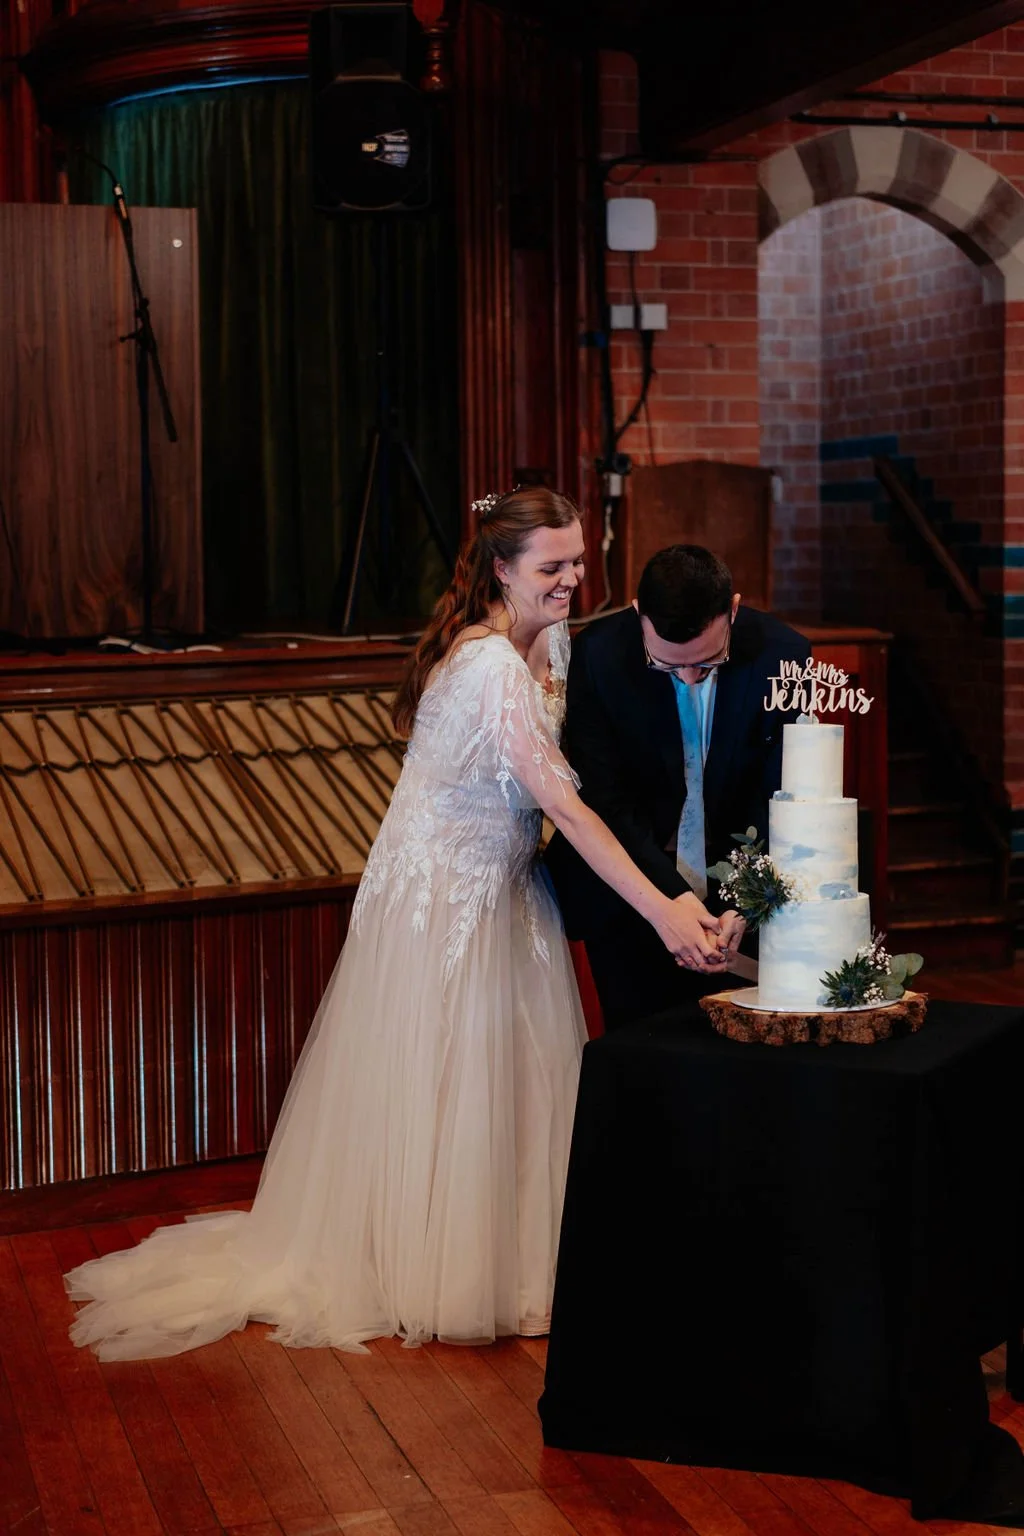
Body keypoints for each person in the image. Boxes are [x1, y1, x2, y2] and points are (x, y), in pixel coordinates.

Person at [64, 489, 711, 1361]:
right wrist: (662, 909)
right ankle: (429, 1270)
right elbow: (567, 805)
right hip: (445, 893)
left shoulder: (552, 640)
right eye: (552, 566)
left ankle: (516, 1259)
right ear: (501, 569)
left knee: (513, 1076)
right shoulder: (487, 667)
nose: (570, 580)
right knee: (448, 1078)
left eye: (577, 561)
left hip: (508, 885)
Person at [545, 544, 811, 1030]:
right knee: (640, 1043)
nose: (688, 678)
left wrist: (743, 902)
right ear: (638, 613)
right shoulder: (599, 653)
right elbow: (605, 799)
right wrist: (673, 902)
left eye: (708, 663)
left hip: (738, 886)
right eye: (667, 666)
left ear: (733, 610)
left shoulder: (784, 655)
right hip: (632, 887)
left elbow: (778, 792)